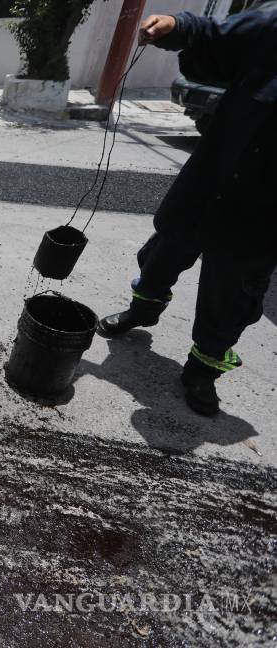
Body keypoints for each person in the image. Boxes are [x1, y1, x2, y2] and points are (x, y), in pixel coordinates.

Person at [96, 7, 277, 417]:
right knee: (162, 255)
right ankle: (142, 311)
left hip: (264, 211)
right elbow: (215, 36)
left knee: (232, 295)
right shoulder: (274, 24)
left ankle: (202, 370)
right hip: (210, 180)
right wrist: (177, 27)